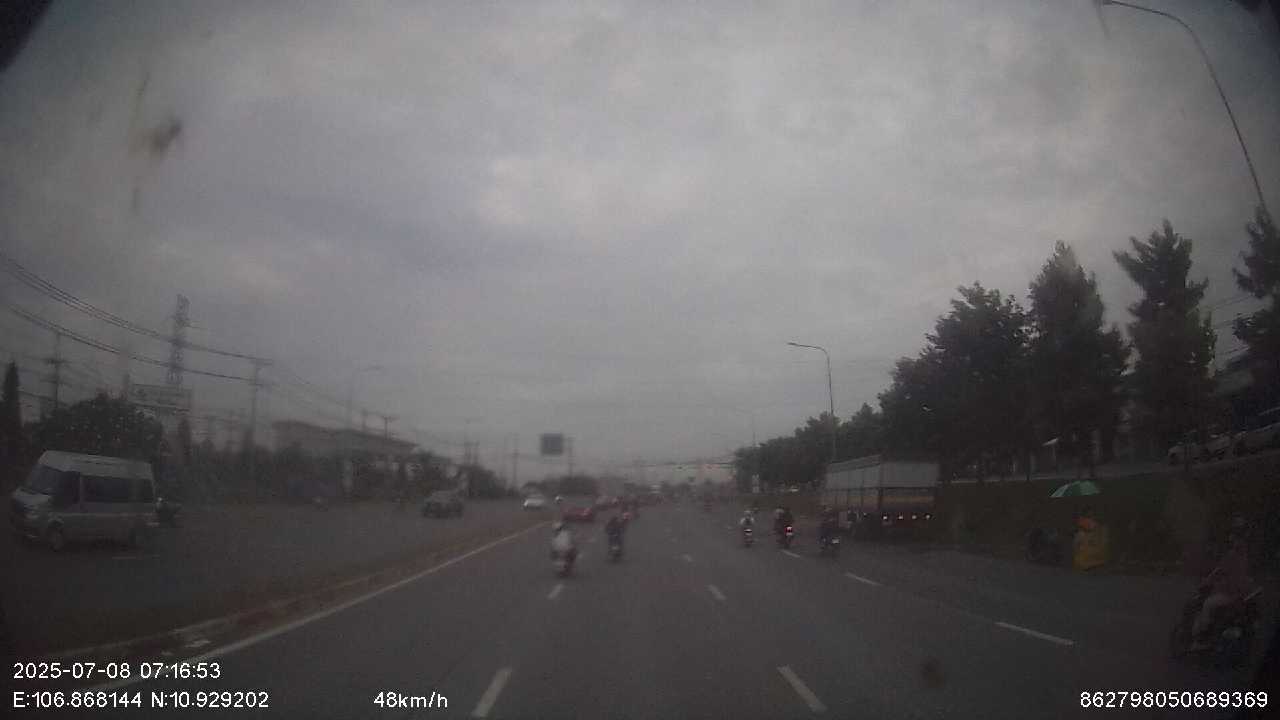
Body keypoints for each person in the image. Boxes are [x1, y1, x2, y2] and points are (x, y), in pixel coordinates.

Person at [1191, 519, 1252, 649]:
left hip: (1231, 594)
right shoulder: (1244, 553)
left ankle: (1202, 639)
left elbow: (1219, 571)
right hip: (1240, 593)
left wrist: (1207, 581)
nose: (1232, 538)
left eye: (1234, 536)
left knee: (1207, 604)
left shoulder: (1233, 554)